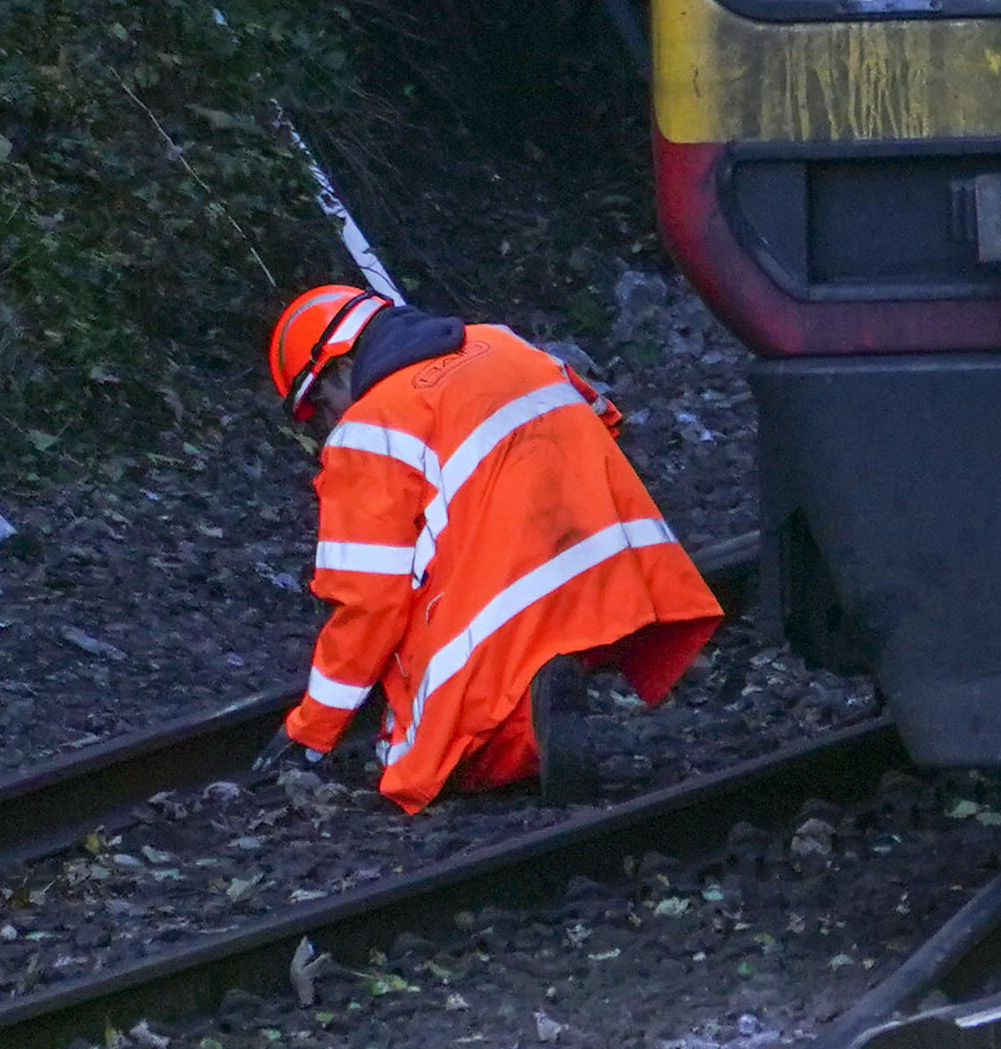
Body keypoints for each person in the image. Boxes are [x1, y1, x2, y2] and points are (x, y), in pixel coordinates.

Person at [266, 280, 721, 807]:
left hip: (513, 608)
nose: (329, 422)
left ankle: (538, 732)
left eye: (321, 404)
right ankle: (580, 701)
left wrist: (311, 732)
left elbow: (370, 601)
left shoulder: (370, 430)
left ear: (340, 367)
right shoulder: (503, 343)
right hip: (621, 575)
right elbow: (605, 421)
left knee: (428, 756)